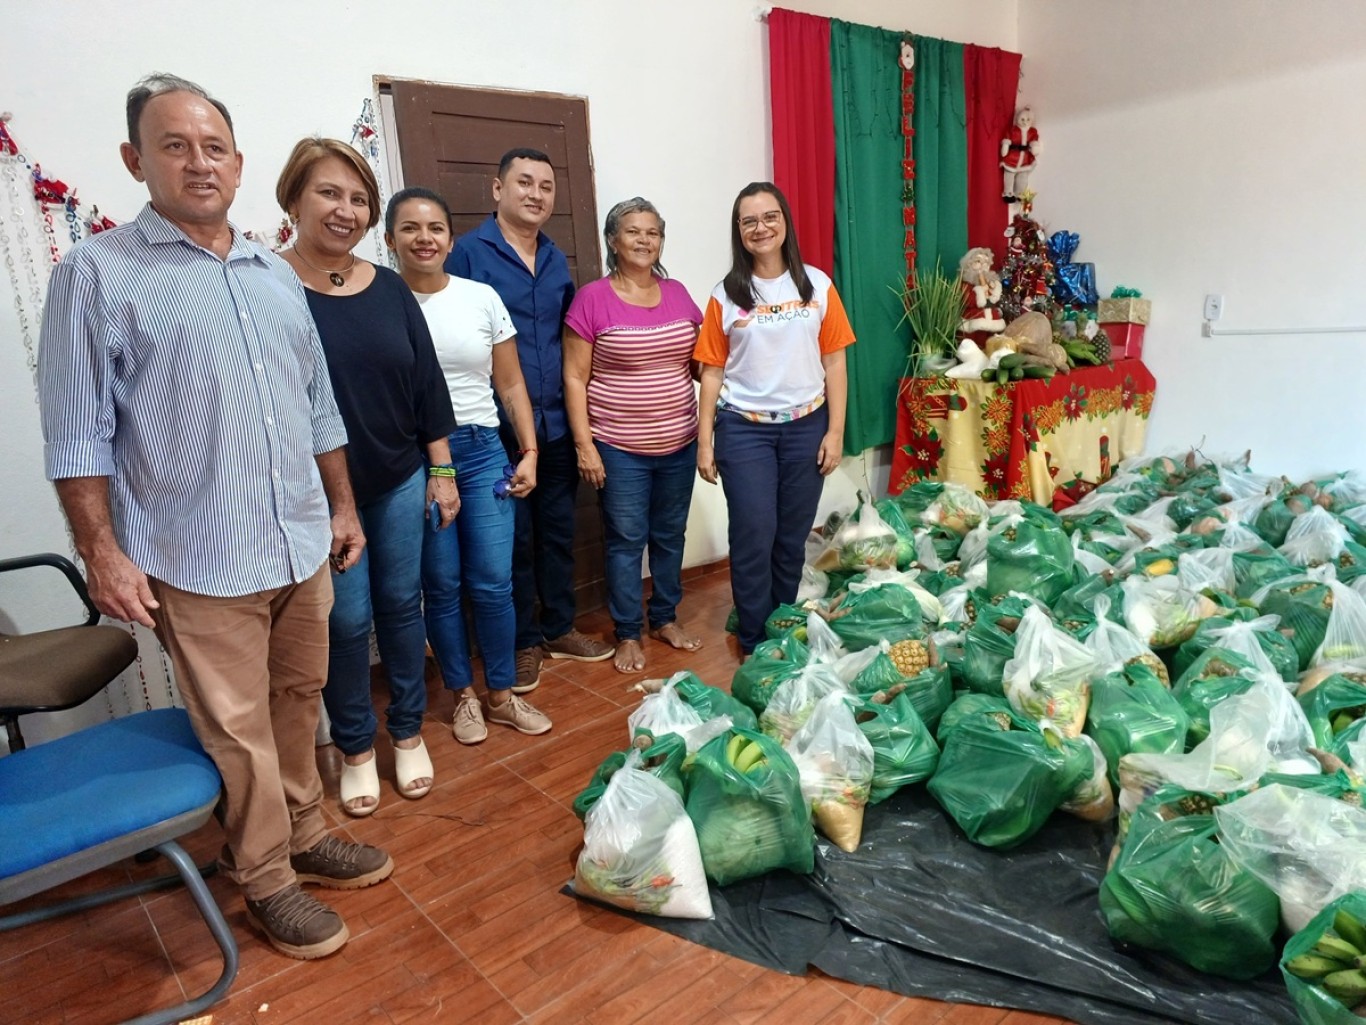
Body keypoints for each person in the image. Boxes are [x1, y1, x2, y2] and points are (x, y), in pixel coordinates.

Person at [37, 74, 392, 961]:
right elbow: (77, 434)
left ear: (238, 164)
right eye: (175, 145)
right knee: (234, 729)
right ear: (135, 159)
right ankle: (266, 874)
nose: (199, 163)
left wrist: (342, 507)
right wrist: (103, 554)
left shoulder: (274, 271)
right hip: (195, 554)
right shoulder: (95, 274)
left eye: (214, 147)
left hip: (299, 538)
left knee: (296, 698)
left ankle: (306, 834)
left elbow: (317, 408)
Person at [276, 139, 458, 817]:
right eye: (329, 193)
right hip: (320, 495)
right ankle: (355, 747)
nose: (345, 210)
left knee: (402, 607)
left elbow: (425, 383)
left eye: (357, 198)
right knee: (347, 622)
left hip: (399, 477)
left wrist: (441, 469)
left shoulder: (388, 287)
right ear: (294, 197)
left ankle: (407, 731)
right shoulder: (269, 286)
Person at [384, 186, 553, 743]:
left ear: (450, 239)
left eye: (434, 227)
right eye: (410, 228)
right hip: (419, 457)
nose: (424, 238)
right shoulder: (383, 301)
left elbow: (509, 382)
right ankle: (462, 696)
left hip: (483, 453)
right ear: (390, 240)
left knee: (493, 583)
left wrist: (527, 450)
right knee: (442, 582)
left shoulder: (480, 297)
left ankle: (501, 695)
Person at [447, 148, 614, 691]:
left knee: (558, 533)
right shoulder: (468, 254)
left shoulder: (556, 258)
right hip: (495, 430)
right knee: (510, 543)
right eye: (524, 183)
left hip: (557, 425)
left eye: (546, 185)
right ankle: (522, 644)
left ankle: (559, 627)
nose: (536, 194)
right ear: (498, 190)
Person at [693, 182, 855, 656]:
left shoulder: (818, 286)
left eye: (769, 217)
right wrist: (705, 442)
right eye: (749, 221)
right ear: (738, 231)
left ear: (784, 223)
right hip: (744, 430)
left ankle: (781, 626)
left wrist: (836, 431)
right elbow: (711, 372)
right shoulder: (725, 294)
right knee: (753, 534)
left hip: (807, 426)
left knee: (790, 537)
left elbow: (836, 363)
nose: (760, 228)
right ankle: (752, 639)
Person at [563, 197, 704, 674]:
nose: (645, 240)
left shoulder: (679, 293)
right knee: (625, 541)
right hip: (619, 447)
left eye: (653, 232)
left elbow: (702, 363)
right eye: (633, 231)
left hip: (680, 441)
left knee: (669, 536)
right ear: (612, 240)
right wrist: (585, 445)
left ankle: (664, 617)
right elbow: (575, 377)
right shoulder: (592, 299)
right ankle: (627, 632)